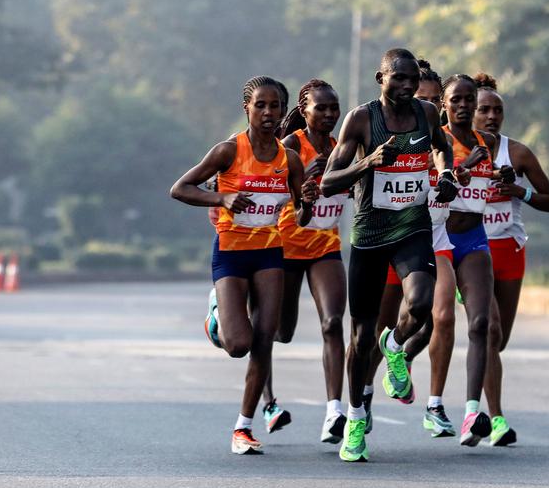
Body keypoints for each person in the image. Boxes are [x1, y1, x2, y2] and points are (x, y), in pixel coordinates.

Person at [320, 49, 457, 462]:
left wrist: (446, 173)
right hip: (369, 235)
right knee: (360, 339)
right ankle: (357, 418)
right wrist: (369, 163)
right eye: (397, 78)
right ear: (380, 78)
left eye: (412, 79)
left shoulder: (427, 114)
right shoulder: (361, 119)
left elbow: (441, 149)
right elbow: (328, 182)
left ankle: (395, 345)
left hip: (412, 227)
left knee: (420, 304)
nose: (407, 86)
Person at [170, 76, 316, 455]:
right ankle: (217, 314)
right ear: (247, 108)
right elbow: (181, 188)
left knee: (265, 342)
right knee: (239, 345)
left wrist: (308, 203)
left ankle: (243, 428)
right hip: (231, 252)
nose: (268, 113)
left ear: (285, 112)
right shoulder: (228, 151)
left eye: (275, 106)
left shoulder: (291, 160)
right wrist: (222, 197)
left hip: (270, 252)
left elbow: (300, 217)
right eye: (260, 106)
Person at [372, 59, 460, 438]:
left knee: (439, 315)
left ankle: (422, 387)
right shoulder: (384, 128)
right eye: (419, 96)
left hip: (432, 238)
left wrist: (449, 176)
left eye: (432, 100)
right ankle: (359, 401)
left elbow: (453, 175)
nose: (423, 105)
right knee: (373, 330)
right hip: (388, 236)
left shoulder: (444, 140)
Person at [261, 79, 348, 444]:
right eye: (321, 108)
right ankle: (267, 404)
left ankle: (334, 412)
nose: (329, 114)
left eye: (334, 108)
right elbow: (271, 187)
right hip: (284, 245)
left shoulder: (342, 147)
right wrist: (310, 178)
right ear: (305, 108)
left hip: (325, 245)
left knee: (332, 323)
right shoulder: (292, 145)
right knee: (278, 331)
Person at [474, 72, 549, 446]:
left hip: (509, 251)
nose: (491, 116)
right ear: (467, 113)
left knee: (499, 340)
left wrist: (517, 191)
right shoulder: (450, 150)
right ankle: (493, 418)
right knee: (488, 330)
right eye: (483, 110)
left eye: (497, 110)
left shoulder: (518, 153)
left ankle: (474, 411)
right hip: (470, 250)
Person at [439, 73, 500, 447]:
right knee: (434, 320)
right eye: (456, 100)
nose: (463, 107)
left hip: (474, 237)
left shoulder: (487, 142)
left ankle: (472, 413)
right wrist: (463, 168)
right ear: (444, 105)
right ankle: (396, 347)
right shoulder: (437, 140)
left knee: (480, 324)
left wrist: (498, 173)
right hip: (440, 237)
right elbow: (434, 185)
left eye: (469, 101)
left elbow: (486, 179)